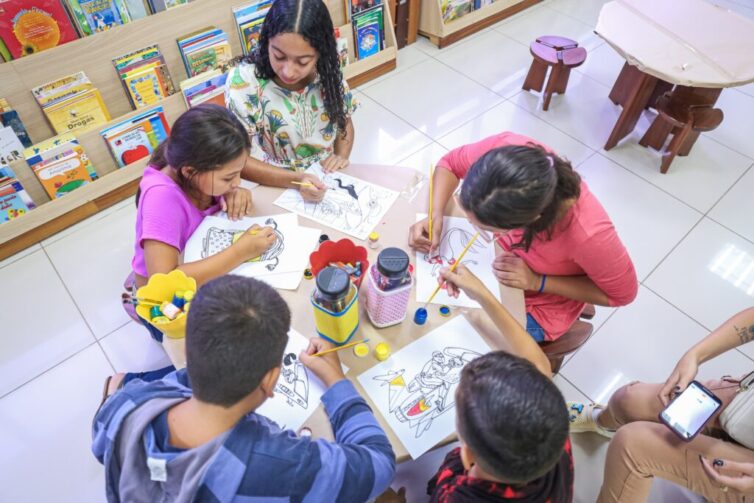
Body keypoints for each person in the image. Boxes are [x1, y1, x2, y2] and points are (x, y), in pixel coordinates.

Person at [94, 275, 396, 502]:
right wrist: (336, 382)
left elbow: (101, 443)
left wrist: (122, 390)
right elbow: (379, 464)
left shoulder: (125, 404)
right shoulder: (281, 466)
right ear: (269, 381)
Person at [408, 132, 637, 342]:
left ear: (531, 220)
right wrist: (435, 214)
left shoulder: (590, 235)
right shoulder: (506, 154)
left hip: (537, 302)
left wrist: (537, 281)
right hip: (491, 267)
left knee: (450, 338)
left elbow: (622, 295)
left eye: (485, 227)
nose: (472, 227)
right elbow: (449, 164)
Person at [420, 265, 574, 502]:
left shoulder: (455, 497)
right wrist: (481, 294)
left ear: (467, 454)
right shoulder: (552, 433)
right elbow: (540, 364)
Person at [570, 307, 754, 502]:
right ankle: (600, 421)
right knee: (627, 400)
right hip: (745, 406)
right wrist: (695, 355)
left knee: (631, 445)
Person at [225, 0, 358, 203]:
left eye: (303, 62)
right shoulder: (245, 82)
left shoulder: (327, 71)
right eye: (278, 56)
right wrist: (297, 180)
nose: (288, 71)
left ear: (320, 54)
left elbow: (344, 121)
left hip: (326, 179)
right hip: (276, 180)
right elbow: (237, 160)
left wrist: (341, 156)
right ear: (266, 42)